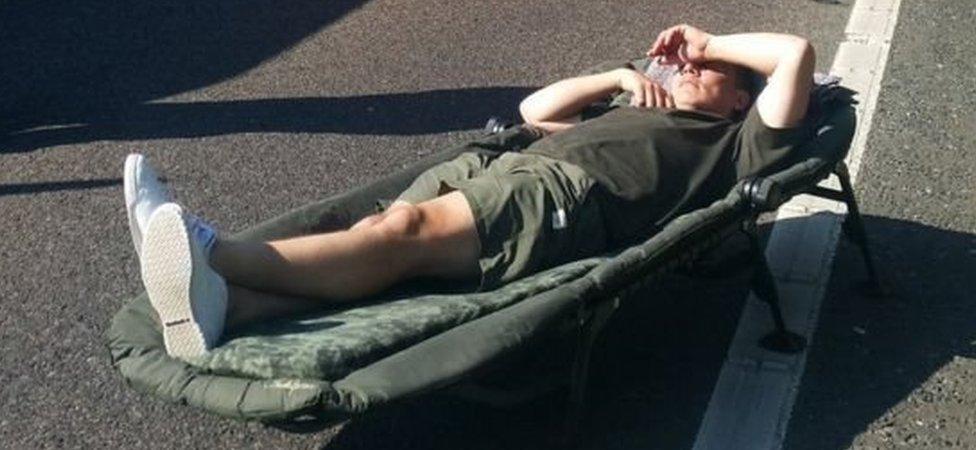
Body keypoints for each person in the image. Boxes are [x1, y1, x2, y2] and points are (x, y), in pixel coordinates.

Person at [125, 24, 815, 360]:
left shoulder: (737, 141)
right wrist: (614, 78)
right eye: (688, 60)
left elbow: (795, 54)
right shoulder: (639, 103)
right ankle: (232, 309)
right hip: (512, 165)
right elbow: (534, 109)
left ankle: (209, 254)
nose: (689, 65)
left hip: (570, 197)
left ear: (738, 102)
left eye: (711, 68)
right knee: (378, 239)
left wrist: (708, 35)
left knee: (401, 237)